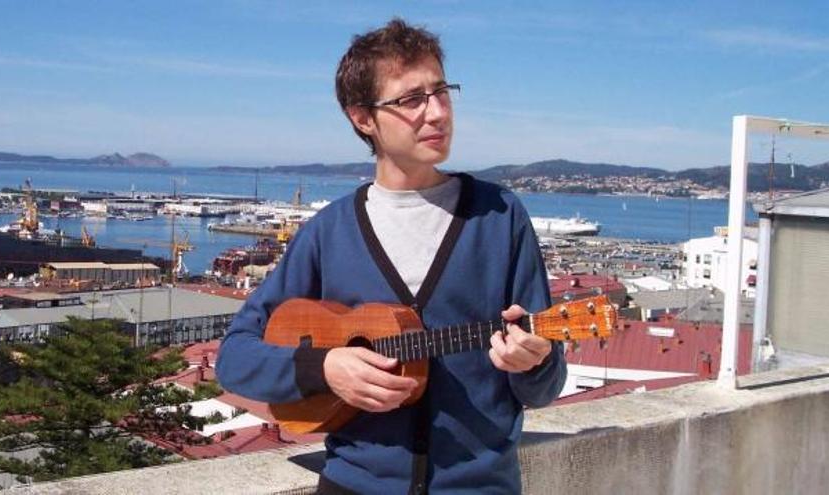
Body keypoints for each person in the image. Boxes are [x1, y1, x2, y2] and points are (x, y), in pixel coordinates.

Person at [216, 18, 566, 494]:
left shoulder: (501, 217)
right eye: (411, 99)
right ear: (363, 118)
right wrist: (326, 369)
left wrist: (536, 362)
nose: (438, 112)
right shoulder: (328, 232)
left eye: (442, 92)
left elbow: (544, 387)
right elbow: (234, 358)